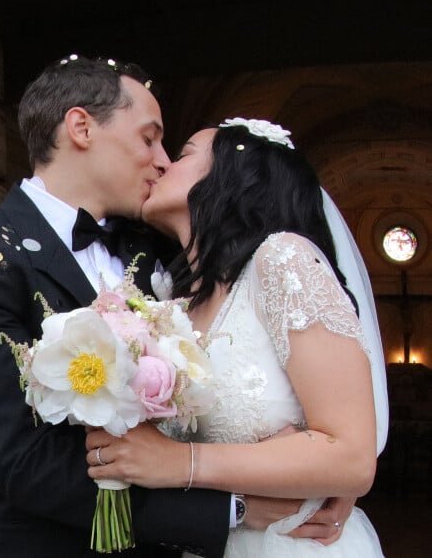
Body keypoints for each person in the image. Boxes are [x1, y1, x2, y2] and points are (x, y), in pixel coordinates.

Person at [0, 57, 369, 556]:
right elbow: (18, 459)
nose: (162, 160)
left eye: (174, 150)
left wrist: (327, 472)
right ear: (80, 127)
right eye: (150, 138)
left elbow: (322, 419)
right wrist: (235, 508)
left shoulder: (166, 262)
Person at [83, 120, 387, 557]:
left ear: (235, 174)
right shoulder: (169, 302)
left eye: (184, 152)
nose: (164, 162)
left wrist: (180, 462)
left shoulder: (282, 260)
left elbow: (353, 457)